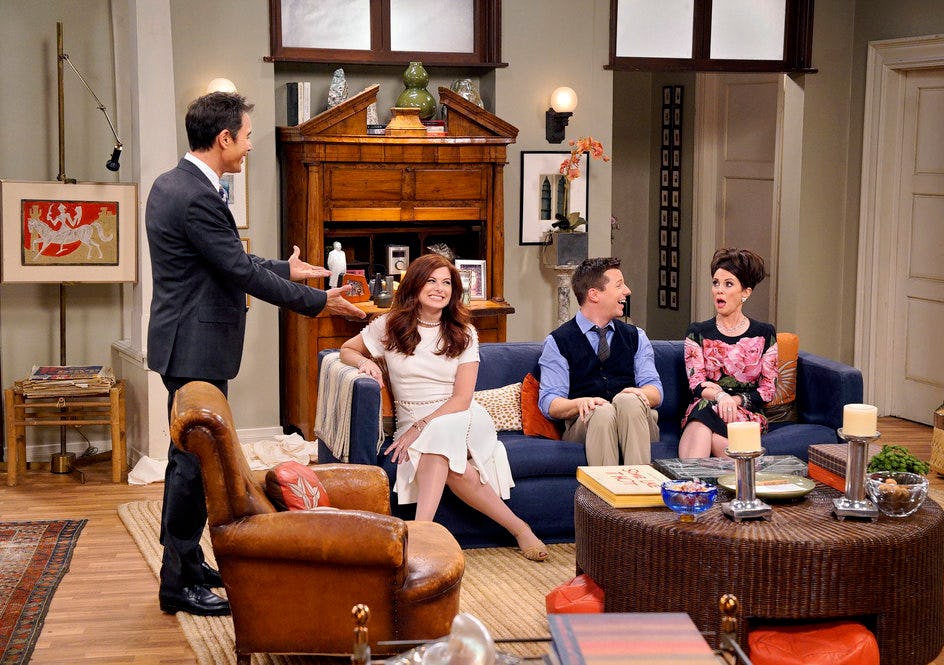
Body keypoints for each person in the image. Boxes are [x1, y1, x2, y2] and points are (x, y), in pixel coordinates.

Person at [146, 92, 365, 617]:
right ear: (223, 138)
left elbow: (225, 258)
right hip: (195, 348)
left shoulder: (172, 183)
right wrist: (319, 302)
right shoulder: (197, 196)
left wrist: (289, 269)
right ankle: (177, 582)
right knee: (192, 464)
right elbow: (239, 272)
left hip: (185, 343)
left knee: (191, 459)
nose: (248, 147)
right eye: (245, 137)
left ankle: (188, 563)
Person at [339, 253, 548, 562]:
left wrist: (420, 427)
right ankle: (519, 528)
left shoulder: (465, 333)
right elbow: (346, 350)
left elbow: (462, 398)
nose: (440, 288)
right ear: (414, 285)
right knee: (451, 464)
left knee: (438, 434)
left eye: (447, 283)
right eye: (431, 281)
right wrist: (364, 362)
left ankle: (419, 536)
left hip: (461, 416)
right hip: (412, 419)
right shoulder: (388, 325)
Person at [538, 257, 663, 466]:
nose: (627, 291)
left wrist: (637, 394)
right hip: (587, 425)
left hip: (636, 422)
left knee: (629, 401)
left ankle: (638, 484)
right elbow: (549, 402)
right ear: (594, 294)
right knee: (601, 412)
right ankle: (610, 487)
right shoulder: (558, 341)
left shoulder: (636, 336)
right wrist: (581, 403)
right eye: (619, 285)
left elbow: (655, 391)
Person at [678, 248, 778, 458]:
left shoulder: (764, 333)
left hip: (746, 413)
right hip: (707, 404)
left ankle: (689, 478)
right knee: (704, 412)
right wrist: (721, 396)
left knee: (706, 424)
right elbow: (696, 384)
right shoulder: (697, 331)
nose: (719, 290)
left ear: (745, 292)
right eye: (716, 283)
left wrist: (735, 401)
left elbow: (768, 390)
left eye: (728, 284)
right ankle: (745, 469)